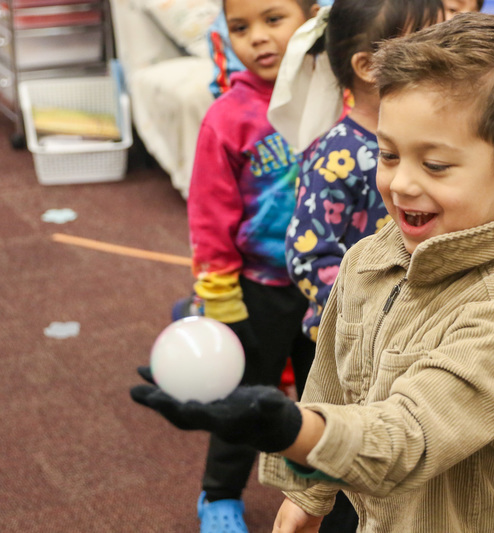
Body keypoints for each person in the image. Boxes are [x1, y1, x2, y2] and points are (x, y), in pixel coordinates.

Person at [132, 12, 494, 533]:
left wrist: (287, 429)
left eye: (435, 165)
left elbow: (406, 438)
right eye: (387, 154)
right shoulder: (369, 257)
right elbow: (335, 386)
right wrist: (307, 493)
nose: (401, 184)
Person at [279, 1, 443, 530]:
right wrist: (375, 312)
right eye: (424, 46)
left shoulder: (436, 143)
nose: (441, 56)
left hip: (413, 344)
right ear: (369, 67)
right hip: (340, 347)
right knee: (340, 480)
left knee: (400, 460)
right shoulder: (337, 153)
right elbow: (307, 255)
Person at [168, 0, 319, 530]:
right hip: (260, 287)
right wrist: (221, 298)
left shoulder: (334, 99)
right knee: (245, 393)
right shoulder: (228, 117)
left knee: (325, 394)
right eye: (240, 26)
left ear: (312, 19)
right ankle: (220, 494)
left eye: (273, 19)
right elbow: (209, 216)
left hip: (327, 287)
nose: (257, 37)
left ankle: (317, 490)